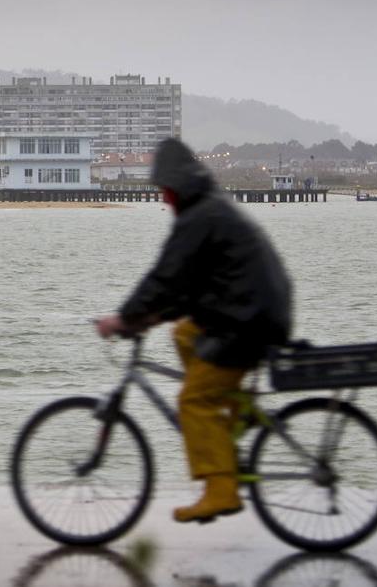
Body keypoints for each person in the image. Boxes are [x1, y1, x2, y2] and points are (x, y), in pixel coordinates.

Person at [96, 138, 292, 524]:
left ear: (177, 187)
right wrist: (156, 316)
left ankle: (221, 491)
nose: (164, 199)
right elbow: (194, 285)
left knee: (192, 402)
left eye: (165, 191)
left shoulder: (200, 218)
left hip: (247, 324)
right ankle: (235, 410)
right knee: (185, 334)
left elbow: (165, 276)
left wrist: (125, 318)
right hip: (253, 314)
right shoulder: (210, 209)